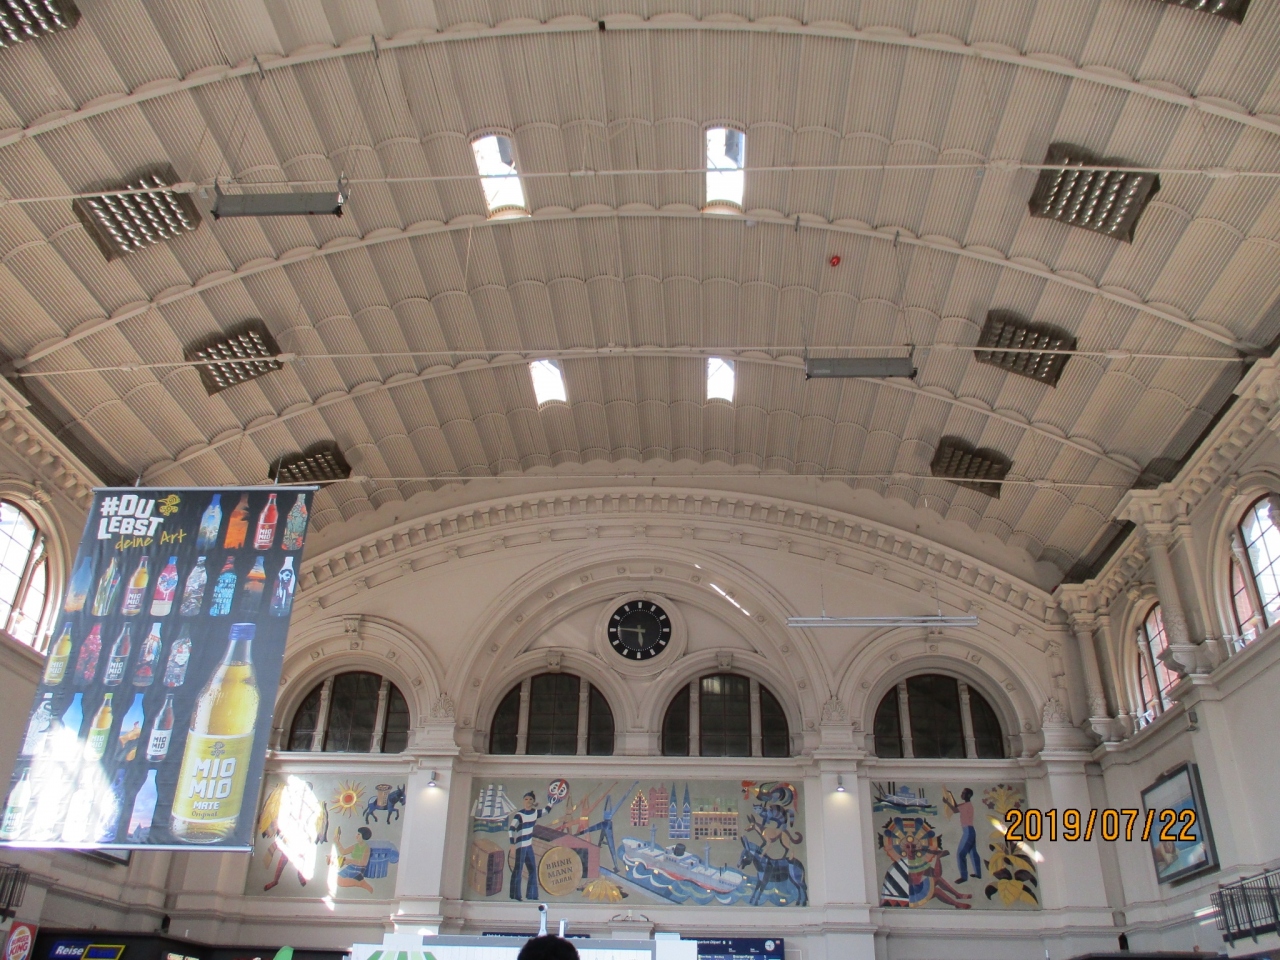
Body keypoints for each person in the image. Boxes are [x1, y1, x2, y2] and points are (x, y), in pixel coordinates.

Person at [509, 790, 562, 900]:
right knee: (518, 869)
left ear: (533, 801)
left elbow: (546, 811)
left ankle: (532, 895)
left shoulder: (534, 813)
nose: (528, 801)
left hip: (528, 845)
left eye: (530, 799)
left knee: (532, 869)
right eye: (526, 799)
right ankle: (515, 895)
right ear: (523, 801)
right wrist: (512, 844)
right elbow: (511, 828)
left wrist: (551, 802)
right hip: (520, 845)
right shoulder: (519, 815)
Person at [943, 788, 981, 882]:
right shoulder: (966, 805)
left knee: (961, 854)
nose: (962, 794)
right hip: (970, 831)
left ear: (968, 795)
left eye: (964, 793)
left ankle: (964, 877)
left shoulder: (966, 806)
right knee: (973, 852)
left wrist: (946, 802)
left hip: (968, 831)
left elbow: (955, 810)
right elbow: (956, 805)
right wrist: (951, 795)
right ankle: (978, 874)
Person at [333, 825, 374, 894]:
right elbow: (343, 852)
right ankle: (360, 881)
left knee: (340, 881)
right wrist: (337, 842)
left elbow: (364, 863)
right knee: (338, 880)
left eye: (359, 834)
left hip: (359, 868)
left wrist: (350, 861)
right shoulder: (355, 846)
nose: (356, 836)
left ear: (364, 836)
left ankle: (360, 882)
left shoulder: (366, 848)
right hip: (352, 866)